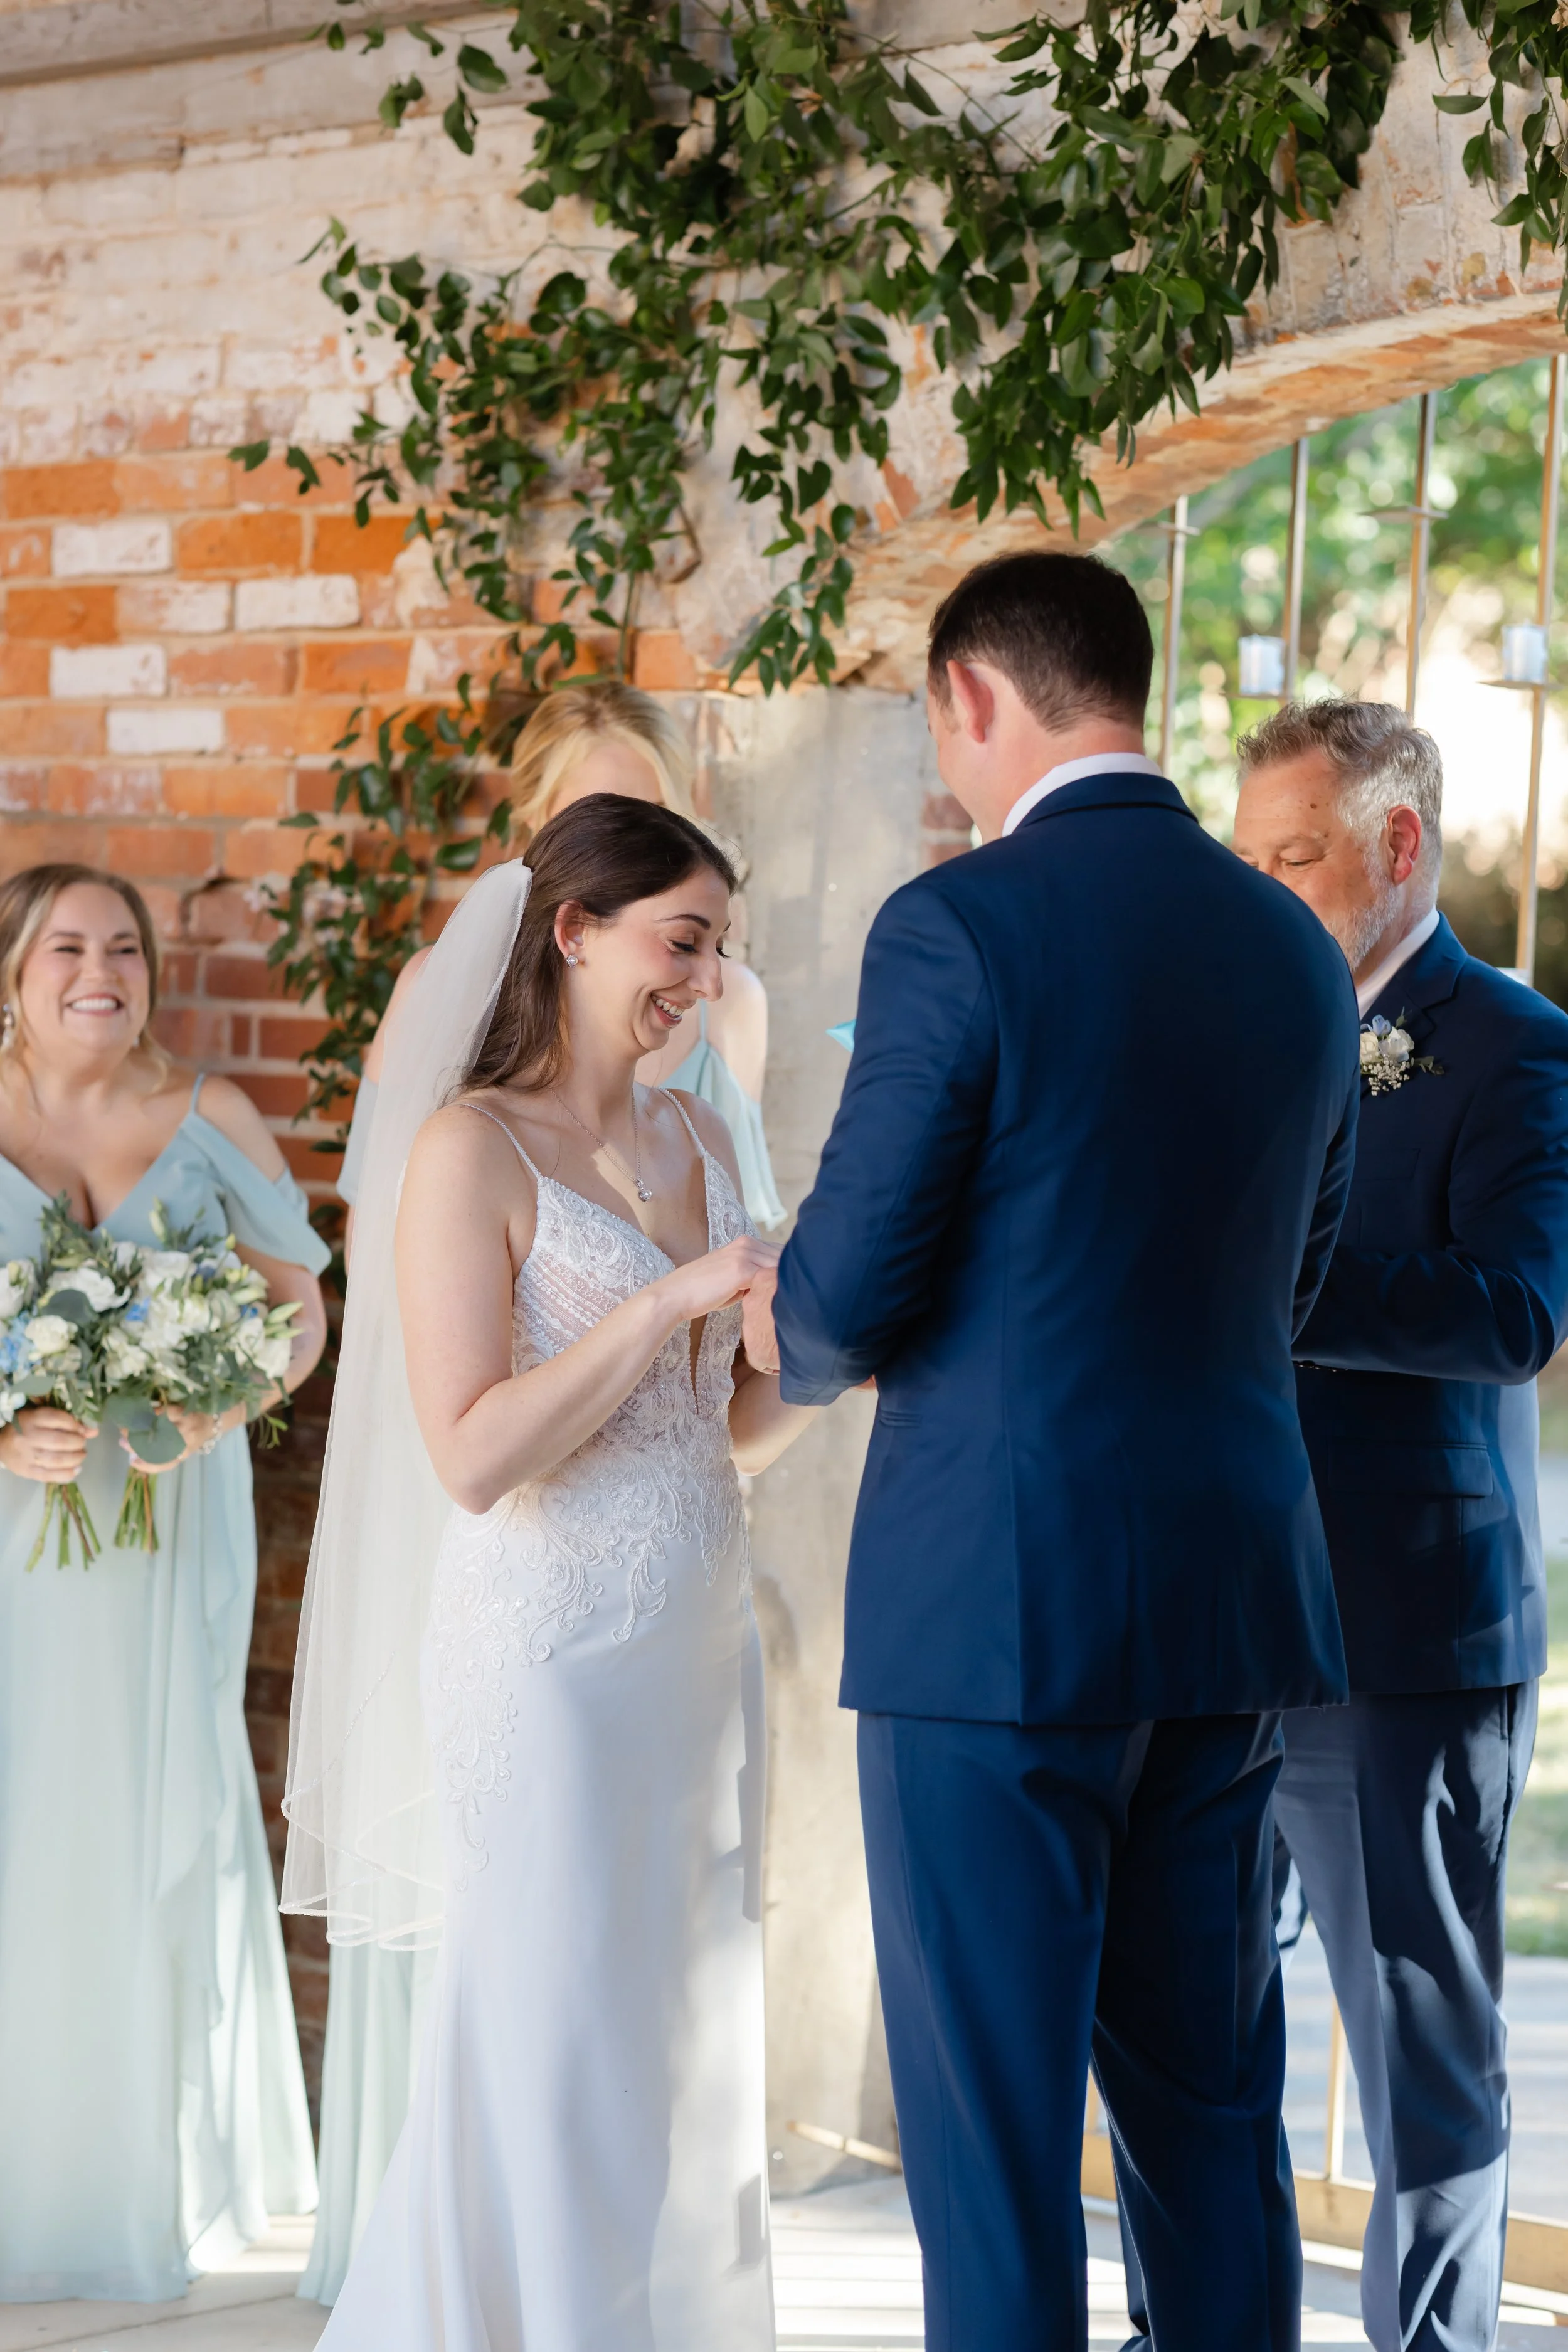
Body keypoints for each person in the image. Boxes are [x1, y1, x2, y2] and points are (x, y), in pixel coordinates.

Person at [743, 551, 1362, 2351]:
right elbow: (1293, 1279)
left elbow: (840, 1299)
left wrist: (806, 1313)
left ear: (970, 698)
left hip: (996, 1612)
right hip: (1227, 1603)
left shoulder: (957, 924)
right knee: (1208, 2115)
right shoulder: (1286, 939)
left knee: (993, 2140)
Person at [283, 798, 813, 2346]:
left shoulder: (701, 1134)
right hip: (548, 1655)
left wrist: (821, 1348)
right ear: (573, 931)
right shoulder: (470, 1150)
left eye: (715, 948)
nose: (704, 981)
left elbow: (724, 1437)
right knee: (554, 2015)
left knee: (681, 2020)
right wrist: (665, 1303)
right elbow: (471, 1455)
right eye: (681, 941)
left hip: (697, 1649)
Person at [1232, 700, 1568, 2352]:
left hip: (1401, 1623)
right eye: (1252, 857)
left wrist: (1266, 1280)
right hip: (1207, 1604)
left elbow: (1514, 1309)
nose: (1264, 889)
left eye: (1293, 856)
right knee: (1189, 2023)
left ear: (1393, 846)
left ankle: (1429, 2342)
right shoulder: (1221, 1028)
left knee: (1415, 2040)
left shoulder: (1510, 1041)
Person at [0, 864, 327, 2302]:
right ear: (12, 973)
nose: (99, 970)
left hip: (160, 1534)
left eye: (122, 947)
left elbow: (303, 1309)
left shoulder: (211, 1120)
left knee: (145, 1814)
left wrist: (223, 1398)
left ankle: (141, 2165)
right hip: (12, 1536)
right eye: (65, 946)